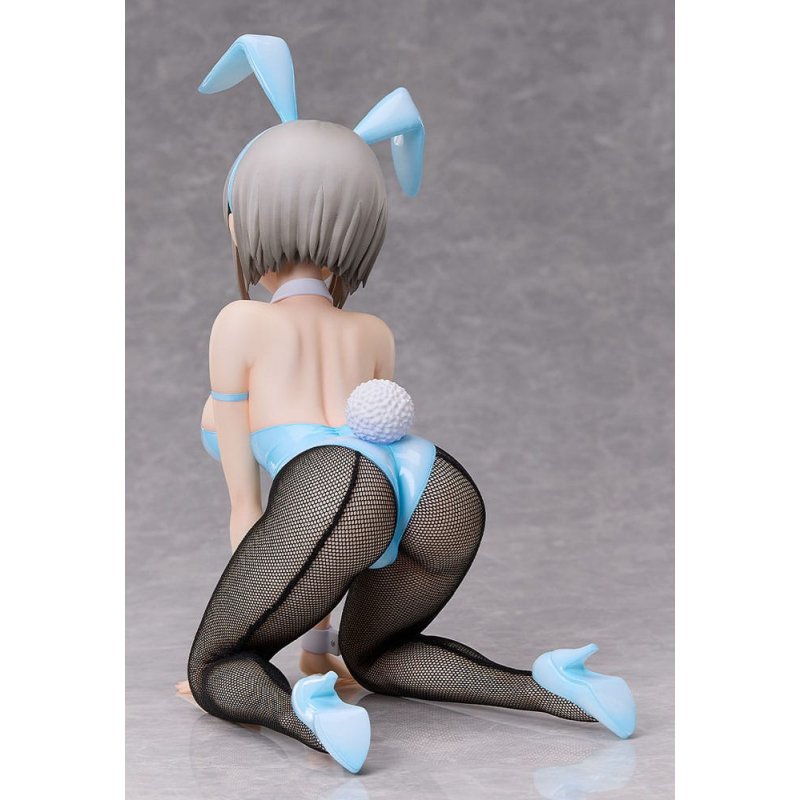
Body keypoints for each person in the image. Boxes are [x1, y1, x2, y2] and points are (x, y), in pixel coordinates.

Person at [186, 35, 636, 774]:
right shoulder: (371, 331)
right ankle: (553, 686)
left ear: (254, 214)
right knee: (381, 655)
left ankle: (306, 712)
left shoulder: (240, 324)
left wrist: (266, 645)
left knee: (217, 669)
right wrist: (321, 652)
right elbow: (345, 520)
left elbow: (256, 508)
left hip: (335, 486)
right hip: (434, 484)